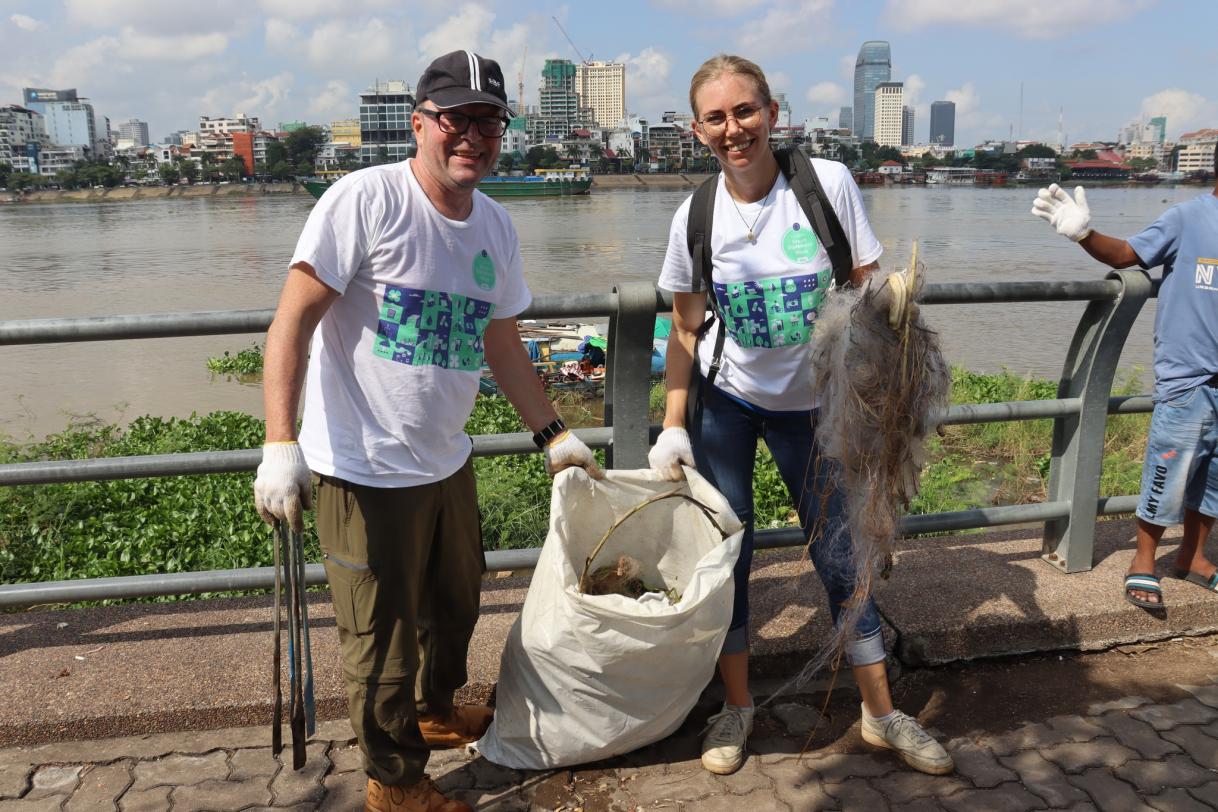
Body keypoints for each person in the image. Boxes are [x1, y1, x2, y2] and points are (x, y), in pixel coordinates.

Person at [253, 50, 602, 812]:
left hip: (446, 459)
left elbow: (501, 342)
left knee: (455, 605)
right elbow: (291, 325)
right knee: (378, 642)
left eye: (490, 121)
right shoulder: (363, 201)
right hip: (360, 467)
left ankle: (437, 710)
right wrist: (281, 443)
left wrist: (553, 434)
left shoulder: (497, 227)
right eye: (457, 119)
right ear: (420, 124)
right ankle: (395, 784)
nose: (473, 135)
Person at [647, 54, 953, 777]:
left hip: (820, 411)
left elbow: (866, 291)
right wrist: (673, 423)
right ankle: (737, 708)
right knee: (729, 559)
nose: (734, 129)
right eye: (716, 118)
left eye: (745, 111)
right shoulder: (694, 215)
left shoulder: (825, 186)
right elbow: (687, 330)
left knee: (842, 557)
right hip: (727, 406)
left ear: (772, 112)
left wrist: (891, 330)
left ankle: (881, 713)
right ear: (698, 131)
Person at [1032, 144, 1218, 611]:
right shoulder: (1187, 219)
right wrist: (1083, 234)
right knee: (1168, 469)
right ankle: (1144, 560)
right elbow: (1127, 253)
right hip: (1189, 377)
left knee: (1214, 481)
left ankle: (1194, 558)